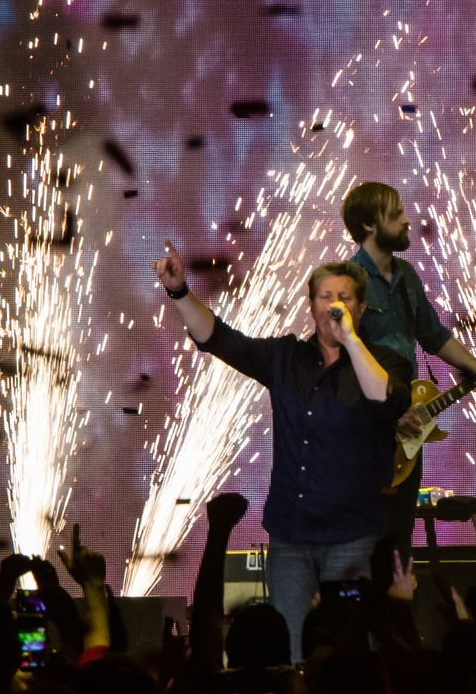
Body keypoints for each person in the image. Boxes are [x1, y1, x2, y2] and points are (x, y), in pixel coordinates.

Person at [152, 246, 407, 662]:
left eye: (344, 297)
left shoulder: (385, 362)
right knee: (288, 650)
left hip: (352, 538)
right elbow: (218, 339)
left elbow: (386, 401)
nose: (334, 305)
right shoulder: (286, 357)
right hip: (291, 535)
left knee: (348, 653)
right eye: (325, 296)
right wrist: (180, 293)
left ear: (361, 307)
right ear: (310, 305)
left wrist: (352, 343)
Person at [340, 181, 476, 552]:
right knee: (365, 543)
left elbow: (434, 336)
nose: (406, 221)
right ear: (370, 225)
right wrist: (387, 412)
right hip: (368, 430)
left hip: (405, 427)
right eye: (396, 213)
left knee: (399, 540)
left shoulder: (406, 277)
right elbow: (340, 365)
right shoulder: (348, 283)